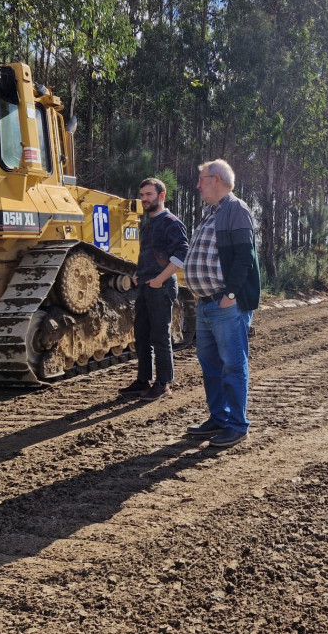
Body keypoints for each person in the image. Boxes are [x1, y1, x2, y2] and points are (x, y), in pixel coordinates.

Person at [183, 159, 260, 448]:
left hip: (225, 305)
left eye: (201, 179)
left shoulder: (235, 210)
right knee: (211, 365)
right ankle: (219, 417)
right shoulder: (210, 213)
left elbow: (244, 258)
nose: (198, 184)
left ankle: (237, 425)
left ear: (215, 179)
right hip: (205, 304)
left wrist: (230, 295)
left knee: (232, 366)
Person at [119, 177, 189, 401]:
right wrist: (138, 272)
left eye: (148, 195)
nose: (144, 199)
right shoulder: (148, 222)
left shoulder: (171, 222)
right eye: (141, 195)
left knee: (160, 337)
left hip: (162, 286)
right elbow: (149, 253)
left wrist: (160, 279)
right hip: (146, 285)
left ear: (161, 196)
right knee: (142, 335)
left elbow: (182, 255)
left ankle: (163, 383)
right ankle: (143, 381)